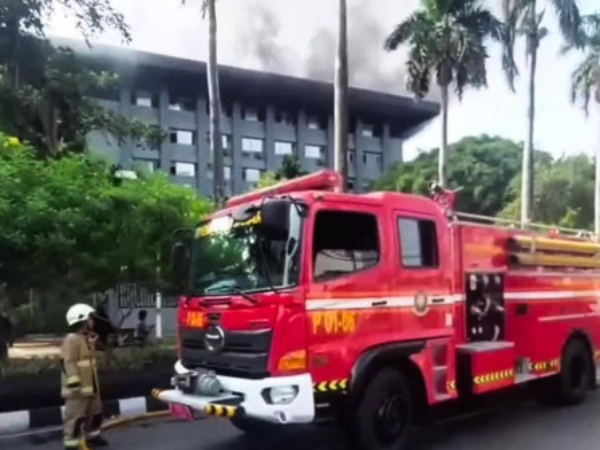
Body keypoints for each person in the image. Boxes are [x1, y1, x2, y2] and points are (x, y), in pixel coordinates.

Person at [61, 304, 108, 450]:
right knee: (76, 418)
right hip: (78, 389)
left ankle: (92, 437)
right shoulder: (71, 339)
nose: (92, 321)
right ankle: (71, 444)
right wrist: (73, 382)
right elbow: (68, 361)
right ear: (81, 320)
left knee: (95, 414)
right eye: (89, 318)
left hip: (91, 388)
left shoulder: (86, 339)